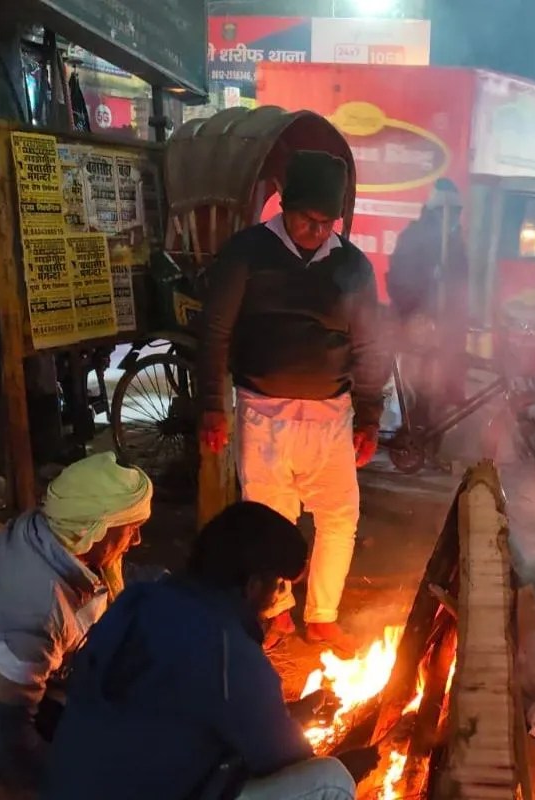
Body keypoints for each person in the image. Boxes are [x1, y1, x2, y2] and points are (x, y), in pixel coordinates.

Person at [42, 501, 368, 800]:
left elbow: (170, 706)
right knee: (332, 780)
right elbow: (284, 759)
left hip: (75, 784)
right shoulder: (230, 651)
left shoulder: (139, 600)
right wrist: (345, 761)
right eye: (279, 586)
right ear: (254, 585)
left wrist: (292, 715)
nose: (277, 597)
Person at [199, 150, 390, 656]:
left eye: (328, 223)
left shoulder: (352, 266)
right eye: (309, 219)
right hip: (263, 413)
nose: (317, 230)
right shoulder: (247, 253)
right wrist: (212, 405)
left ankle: (322, 616)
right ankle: (277, 610)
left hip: (332, 416)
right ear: (285, 205)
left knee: (340, 516)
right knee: (269, 519)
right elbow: (216, 332)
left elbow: (371, 344)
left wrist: (370, 416)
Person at [0, 453, 151, 793]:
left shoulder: (45, 530)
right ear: (94, 530)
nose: (138, 540)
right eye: (131, 529)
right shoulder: (30, 612)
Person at [386, 179, 470, 429]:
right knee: (417, 387)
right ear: (436, 211)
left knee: (440, 389)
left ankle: (431, 432)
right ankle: (410, 432)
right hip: (416, 327)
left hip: (444, 328)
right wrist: (416, 315)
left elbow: (461, 283)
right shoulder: (413, 237)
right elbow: (399, 281)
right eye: (449, 212)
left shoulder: (455, 242)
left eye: (457, 212)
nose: (453, 217)